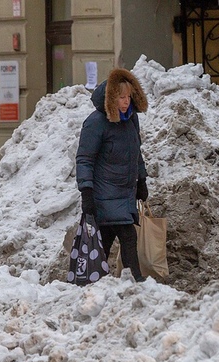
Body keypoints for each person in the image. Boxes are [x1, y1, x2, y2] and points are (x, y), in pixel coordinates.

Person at [75, 68, 149, 282]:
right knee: (127, 235)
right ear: (111, 97)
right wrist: (86, 192)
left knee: (105, 240)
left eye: (128, 97)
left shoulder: (131, 120)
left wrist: (141, 179)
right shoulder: (96, 122)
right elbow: (85, 159)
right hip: (103, 193)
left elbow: (136, 153)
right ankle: (136, 280)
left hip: (124, 193)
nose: (126, 102)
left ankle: (94, 281)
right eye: (120, 97)